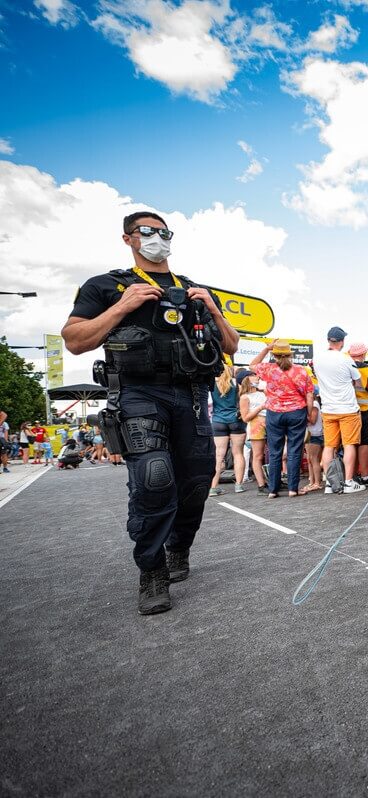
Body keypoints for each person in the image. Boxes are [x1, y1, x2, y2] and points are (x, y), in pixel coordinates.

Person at [61, 210, 238, 615]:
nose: (157, 238)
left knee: (195, 485)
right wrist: (122, 308)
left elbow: (229, 346)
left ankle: (179, 549)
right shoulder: (106, 286)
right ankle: (152, 570)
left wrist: (212, 308)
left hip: (191, 395)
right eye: (147, 231)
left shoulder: (192, 289)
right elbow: (74, 340)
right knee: (154, 478)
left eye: (163, 232)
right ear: (128, 239)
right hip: (139, 394)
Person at [251, 340, 314, 498]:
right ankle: (293, 488)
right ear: (290, 354)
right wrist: (308, 412)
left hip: (274, 412)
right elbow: (309, 395)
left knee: (274, 452)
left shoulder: (269, 370)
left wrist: (266, 348)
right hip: (296, 411)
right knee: (294, 450)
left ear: (275, 354)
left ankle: (273, 489)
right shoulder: (301, 371)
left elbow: (252, 365)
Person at [311, 327, 365, 494]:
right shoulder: (345, 359)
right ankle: (348, 482)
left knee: (329, 446)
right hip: (348, 408)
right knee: (349, 445)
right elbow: (358, 383)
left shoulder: (317, 358)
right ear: (341, 341)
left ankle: (330, 483)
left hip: (328, 408)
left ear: (329, 340)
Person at [209, 363, 247, 497]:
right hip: (236, 420)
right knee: (238, 453)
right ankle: (238, 485)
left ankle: (213, 487)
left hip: (218, 421)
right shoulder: (236, 384)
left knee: (218, 455)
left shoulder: (212, 385)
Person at [347, 342, 368, 484]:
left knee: (350, 443)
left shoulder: (345, 367)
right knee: (364, 443)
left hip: (348, 410)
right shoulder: (366, 370)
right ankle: (365, 475)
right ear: (363, 354)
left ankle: (350, 475)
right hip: (365, 411)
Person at [239, 373, 269, 494]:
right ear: (247, 379)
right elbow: (245, 418)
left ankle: (271, 480)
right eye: (253, 375)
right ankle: (261, 484)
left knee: (270, 454)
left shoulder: (262, 393)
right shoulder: (245, 397)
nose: (257, 377)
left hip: (268, 422)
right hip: (256, 425)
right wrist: (260, 408)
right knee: (258, 455)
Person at [303, 395, 325, 495]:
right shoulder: (311, 404)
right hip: (310, 434)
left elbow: (312, 420)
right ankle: (312, 482)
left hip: (314, 434)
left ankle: (317, 482)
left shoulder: (314, 404)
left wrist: (302, 416)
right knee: (310, 459)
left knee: (314, 459)